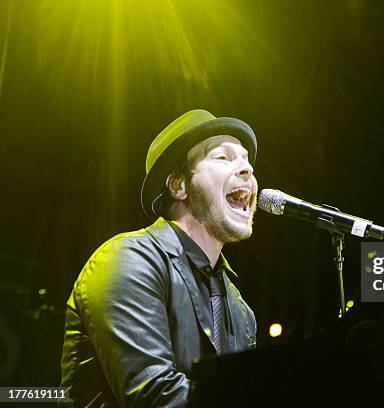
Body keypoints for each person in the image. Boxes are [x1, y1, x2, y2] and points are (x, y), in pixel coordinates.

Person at [60, 110, 259, 407]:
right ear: (178, 185)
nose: (247, 171)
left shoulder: (242, 312)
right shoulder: (129, 260)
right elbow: (155, 395)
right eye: (223, 157)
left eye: (247, 162)